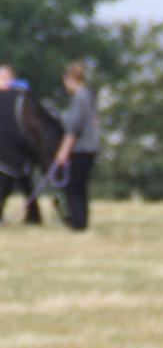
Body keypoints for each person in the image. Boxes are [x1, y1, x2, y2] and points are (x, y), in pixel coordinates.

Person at [52, 61, 100, 231]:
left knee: (73, 188)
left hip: (80, 149)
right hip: (92, 147)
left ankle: (77, 223)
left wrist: (63, 152)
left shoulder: (79, 98)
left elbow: (73, 129)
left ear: (71, 79)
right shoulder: (90, 96)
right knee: (81, 187)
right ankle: (82, 221)